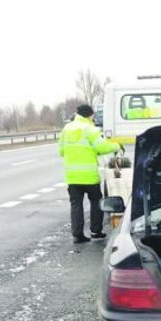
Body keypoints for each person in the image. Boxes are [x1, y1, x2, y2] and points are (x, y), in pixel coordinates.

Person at [58, 104, 120, 243]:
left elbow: (61, 151)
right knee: (96, 201)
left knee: (76, 204)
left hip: (72, 176)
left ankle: (77, 234)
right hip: (89, 175)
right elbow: (102, 147)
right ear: (89, 115)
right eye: (93, 115)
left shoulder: (67, 129)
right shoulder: (89, 129)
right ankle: (95, 231)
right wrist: (116, 146)